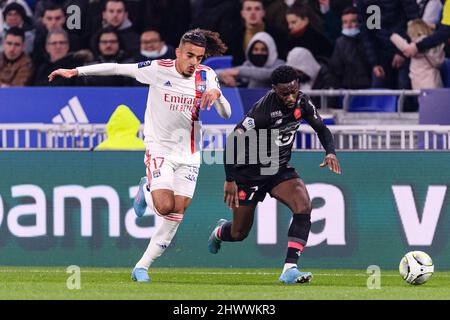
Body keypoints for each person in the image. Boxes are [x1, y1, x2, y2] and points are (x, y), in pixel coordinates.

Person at [48, 28, 232, 282]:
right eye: (189, 55)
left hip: (189, 155)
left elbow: (227, 114)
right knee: (165, 206)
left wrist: (218, 95)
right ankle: (146, 188)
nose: (193, 62)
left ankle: (141, 267)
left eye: (199, 58)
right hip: (160, 150)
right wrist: (77, 71)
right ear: (178, 52)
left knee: (176, 213)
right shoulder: (158, 69)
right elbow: (116, 68)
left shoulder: (206, 76)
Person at [208, 65, 341, 284]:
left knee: (304, 205)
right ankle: (220, 232)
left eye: (293, 91)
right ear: (273, 89)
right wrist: (230, 179)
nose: (290, 97)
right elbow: (234, 140)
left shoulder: (303, 102)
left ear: (297, 85)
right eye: (284, 93)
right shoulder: (262, 112)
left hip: (277, 169)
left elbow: (322, 128)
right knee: (239, 233)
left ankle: (290, 268)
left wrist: (330, 152)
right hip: (248, 173)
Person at [217, 31, 284, 88]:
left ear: (270, 50)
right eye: (256, 49)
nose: (259, 52)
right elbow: (218, 74)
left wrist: (239, 71)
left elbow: (268, 75)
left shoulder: (279, 64)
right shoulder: (248, 64)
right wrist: (224, 76)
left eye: (263, 50)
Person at [391, 19, 444, 90]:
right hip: (435, 81)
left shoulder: (419, 44)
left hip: (422, 84)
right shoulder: (432, 43)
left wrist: (392, 35)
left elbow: (406, 49)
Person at [329, 6, 371, 89]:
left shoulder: (368, 41)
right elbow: (336, 68)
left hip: (368, 86)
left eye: (353, 21)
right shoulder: (339, 43)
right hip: (347, 88)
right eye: (345, 22)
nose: (348, 25)